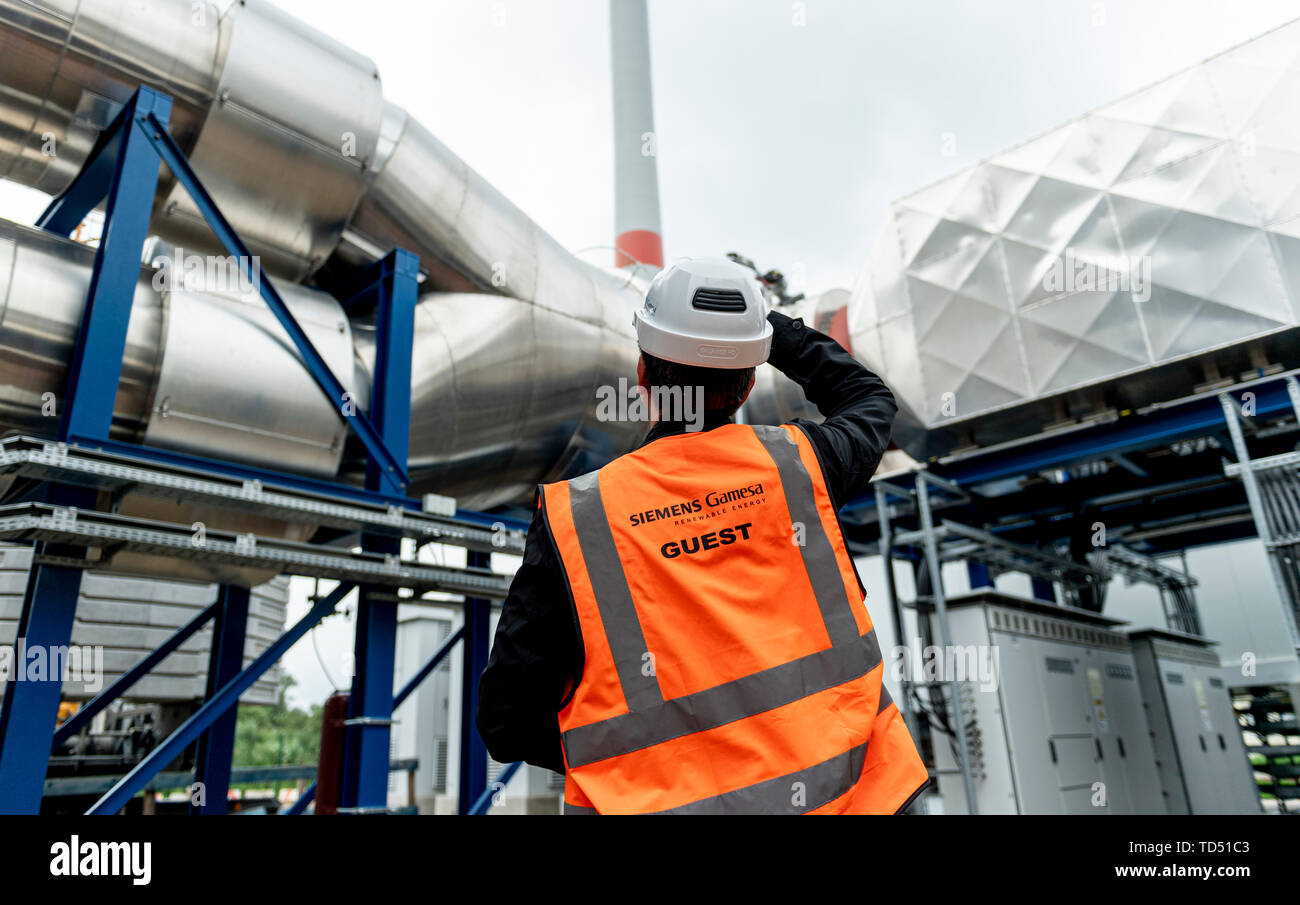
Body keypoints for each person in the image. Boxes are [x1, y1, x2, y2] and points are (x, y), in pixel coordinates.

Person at [476, 257, 928, 814]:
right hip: (859, 798)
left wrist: (634, 765)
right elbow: (868, 398)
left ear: (642, 378)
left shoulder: (579, 517)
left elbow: (508, 722)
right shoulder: (801, 467)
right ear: (746, 386)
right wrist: (774, 330)